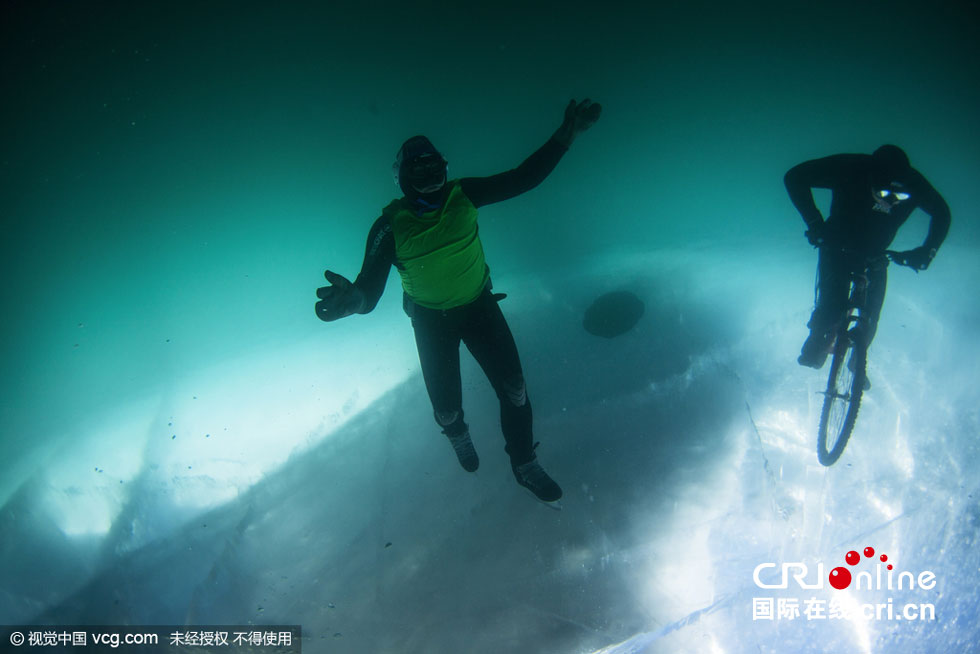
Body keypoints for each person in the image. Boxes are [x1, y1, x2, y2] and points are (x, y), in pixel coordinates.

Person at [314, 99, 602, 503]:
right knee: (447, 411)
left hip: (479, 309)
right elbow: (370, 289)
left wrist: (568, 132)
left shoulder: (464, 194)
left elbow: (525, 178)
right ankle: (457, 434)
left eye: (435, 167)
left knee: (515, 390)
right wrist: (353, 301)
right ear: (402, 177)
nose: (430, 176)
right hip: (431, 322)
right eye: (419, 170)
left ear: (445, 168)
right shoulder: (389, 226)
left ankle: (524, 464)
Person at [784, 144, 951, 370]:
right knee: (831, 305)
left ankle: (857, 359)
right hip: (836, 243)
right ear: (871, 180)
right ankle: (818, 336)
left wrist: (926, 251)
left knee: (871, 314)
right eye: (883, 194)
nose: (889, 201)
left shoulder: (915, 183)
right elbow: (794, 177)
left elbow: (942, 213)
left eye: (899, 197)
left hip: (875, 250)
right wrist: (815, 224)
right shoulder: (849, 167)